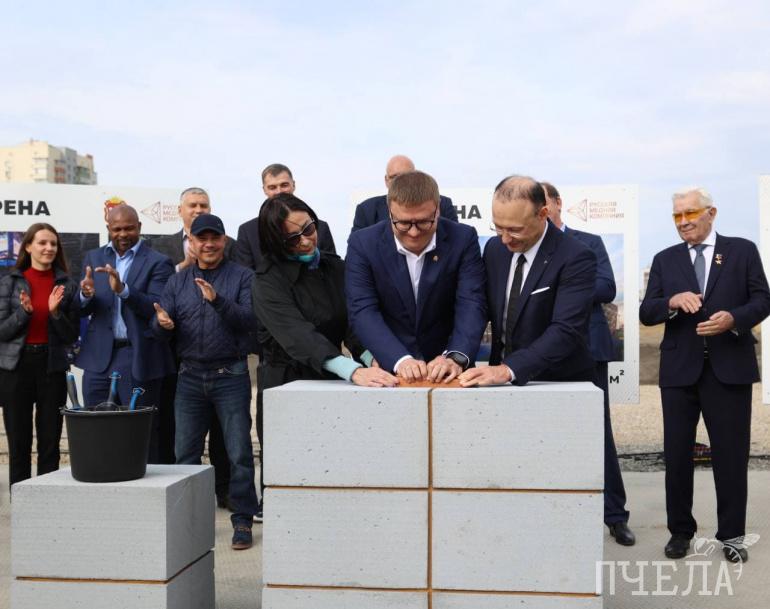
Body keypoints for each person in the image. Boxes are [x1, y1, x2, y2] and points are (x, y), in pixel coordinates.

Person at [640, 187, 770, 563]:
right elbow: (646, 311)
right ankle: (680, 532)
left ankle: (732, 536)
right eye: (677, 216)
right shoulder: (665, 259)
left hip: (730, 369)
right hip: (679, 371)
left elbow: (763, 299)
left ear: (711, 213)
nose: (683, 222)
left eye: (690, 214)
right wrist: (670, 301)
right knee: (677, 456)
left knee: (731, 457)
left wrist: (735, 319)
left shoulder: (742, 251)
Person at [153, 213, 260, 551]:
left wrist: (218, 301)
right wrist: (161, 324)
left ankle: (242, 520)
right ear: (192, 242)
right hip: (189, 377)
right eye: (202, 238)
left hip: (231, 374)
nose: (209, 244)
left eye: (215, 238)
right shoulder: (177, 281)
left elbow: (250, 320)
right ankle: (189, 523)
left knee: (239, 452)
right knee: (185, 455)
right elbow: (160, 324)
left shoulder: (242, 276)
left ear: (224, 240)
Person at [542, 181, 634, 547]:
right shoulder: (530, 248)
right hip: (543, 351)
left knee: (599, 433)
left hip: (589, 349)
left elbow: (607, 287)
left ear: (557, 203)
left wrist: (563, 285)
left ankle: (615, 516)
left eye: (544, 202)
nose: (540, 210)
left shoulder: (589, 242)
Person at [346, 170, 486, 382]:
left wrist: (456, 356)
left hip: (451, 372)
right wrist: (399, 360)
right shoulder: (363, 244)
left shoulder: (463, 238)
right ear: (390, 211)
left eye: (423, 222)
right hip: (390, 371)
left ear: (438, 210)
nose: (413, 232)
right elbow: (362, 310)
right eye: (403, 223)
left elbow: (471, 302)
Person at [458, 175, 595, 387]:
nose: (505, 239)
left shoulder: (575, 256)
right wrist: (456, 355)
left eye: (515, 230)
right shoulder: (495, 249)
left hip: (555, 383)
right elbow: (478, 308)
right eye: (498, 227)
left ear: (543, 214)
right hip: (498, 382)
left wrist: (509, 370)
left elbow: (566, 330)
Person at [149, 187, 233, 509]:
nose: (198, 209)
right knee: (182, 435)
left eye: (204, 204)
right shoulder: (162, 247)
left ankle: (224, 490)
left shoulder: (229, 245)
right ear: (180, 210)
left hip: (222, 356)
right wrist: (184, 267)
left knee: (223, 434)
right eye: (192, 205)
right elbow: (159, 294)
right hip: (178, 356)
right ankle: (187, 499)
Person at [76, 205, 175, 462]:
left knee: (140, 432)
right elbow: (83, 308)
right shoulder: (93, 258)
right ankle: (102, 478)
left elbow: (156, 306)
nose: (123, 234)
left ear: (139, 227)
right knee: (96, 429)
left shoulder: (158, 262)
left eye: (129, 228)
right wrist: (85, 295)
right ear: (108, 229)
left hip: (138, 356)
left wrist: (123, 290)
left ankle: (144, 482)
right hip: (98, 359)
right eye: (117, 229)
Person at [0, 223, 79, 490]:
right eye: (42, 243)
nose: (48, 248)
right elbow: (2, 331)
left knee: (50, 441)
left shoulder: (67, 285)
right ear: (28, 247)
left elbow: (71, 334)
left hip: (51, 366)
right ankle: (20, 500)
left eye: (53, 244)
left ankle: (46, 500)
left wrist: (55, 313)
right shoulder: (9, 283)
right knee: (18, 442)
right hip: (16, 367)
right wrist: (24, 313)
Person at [235, 163, 336, 269]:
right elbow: (245, 274)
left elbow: (332, 268)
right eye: (272, 187)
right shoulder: (248, 232)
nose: (279, 191)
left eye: (284, 185)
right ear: (264, 190)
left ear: (293, 185)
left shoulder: (321, 228)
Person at [351, 155, 458, 231]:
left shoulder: (442, 204)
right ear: (386, 180)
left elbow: (456, 242)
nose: (399, 182)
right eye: (394, 177)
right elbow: (357, 250)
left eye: (405, 176)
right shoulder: (366, 210)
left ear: (416, 177)